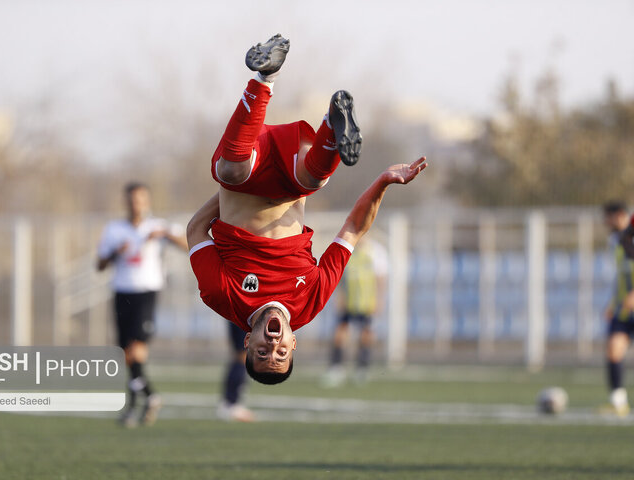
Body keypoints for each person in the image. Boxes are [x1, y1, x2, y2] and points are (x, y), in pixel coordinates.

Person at [187, 34, 427, 385]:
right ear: (293, 342)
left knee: (229, 170)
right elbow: (352, 232)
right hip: (293, 171)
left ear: (247, 342)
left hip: (245, 169)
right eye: (281, 352)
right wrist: (383, 182)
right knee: (313, 181)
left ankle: (264, 77)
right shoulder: (308, 302)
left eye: (262, 352)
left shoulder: (223, 297)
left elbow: (195, 231)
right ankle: (332, 123)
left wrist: (225, 195)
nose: (273, 345)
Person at [97, 182, 188, 426]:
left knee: (136, 351)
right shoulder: (114, 230)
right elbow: (100, 265)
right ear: (125, 202)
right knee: (128, 356)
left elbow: (187, 244)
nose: (135, 204)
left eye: (140, 199)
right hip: (121, 292)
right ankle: (145, 399)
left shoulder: (157, 226)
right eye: (131, 199)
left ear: (146, 201)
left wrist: (166, 234)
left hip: (146, 293)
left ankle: (139, 403)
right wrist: (116, 252)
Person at [322, 237, 388, 387]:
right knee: (340, 333)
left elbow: (381, 279)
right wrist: (339, 296)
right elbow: (339, 275)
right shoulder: (347, 249)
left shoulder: (376, 252)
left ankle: (362, 368)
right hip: (349, 300)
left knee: (366, 334)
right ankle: (336, 368)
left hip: (367, 302)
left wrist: (379, 300)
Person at [601, 201, 634, 416]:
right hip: (624, 309)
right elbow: (621, 276)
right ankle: (618, 403)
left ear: (619, 215)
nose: (604, 221)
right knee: (614, 349)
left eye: (607, 216)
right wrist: (614, 303)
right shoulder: (615, 241)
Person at [217, 323, 255, 422]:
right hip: (244, 316)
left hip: (241, 315)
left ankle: (231, 402)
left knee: (242, 356)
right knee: (242, 356)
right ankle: (231, 402)